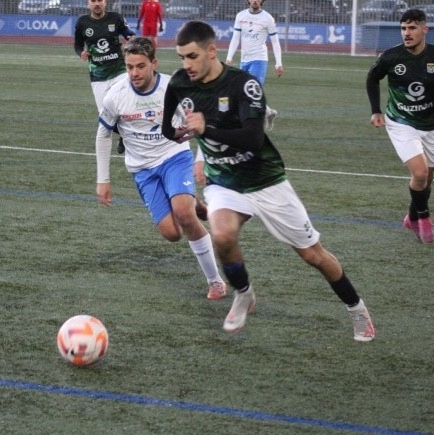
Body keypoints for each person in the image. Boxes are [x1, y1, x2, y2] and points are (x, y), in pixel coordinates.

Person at [161, 20, 375, 342]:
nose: (185, 64)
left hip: (266, 180)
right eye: (181, 57)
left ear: (210, 51)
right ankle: (244, 293)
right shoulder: (179, 84)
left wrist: (207, 130)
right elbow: (167, 128)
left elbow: (252, 138)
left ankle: (357, 310)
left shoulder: (243, 84)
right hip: (225, 181)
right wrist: (180, 132)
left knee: (313, 255)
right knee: (222, 235)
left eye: (191, 56)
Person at [95, 36, 227, 300]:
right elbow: (103, 135)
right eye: (129, 66)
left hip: (173, 156)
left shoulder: (174, 88)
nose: (134, 73)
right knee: (171, 233)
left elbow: (205, 122)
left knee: (184, 215)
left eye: (141, 66)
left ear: (154, 63)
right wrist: (103, 179)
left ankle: (215, 281)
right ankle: (197, 205)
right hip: (142, 169)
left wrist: (201, 158)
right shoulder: (115, 96)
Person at [366, 9, 434, 245]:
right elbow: (372, 78)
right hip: (399, 122)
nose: (406, 33)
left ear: (424, 29)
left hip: (429, 124)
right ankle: (423, 219)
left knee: (427, 179)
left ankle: (410, 216)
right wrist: (375, 111)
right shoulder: (391, 57)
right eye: (403, 28)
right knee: (419, 173)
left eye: (412, 28)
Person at [74, 0, 135, 155]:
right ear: (88, 3)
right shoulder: (82, 23)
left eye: (100, 0)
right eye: (93, 1)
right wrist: (81, 52)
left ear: (105, 2)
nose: (97, 4)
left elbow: (126, 32)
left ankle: (130, 138)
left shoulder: (115, 18)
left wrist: (131, 38)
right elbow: (78, 44)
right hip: (98, 75)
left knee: (127, 106)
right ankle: (123, 134)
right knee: (105, 115)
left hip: (119, 70)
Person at [225, 0, 282, 132]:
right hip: (244, 60)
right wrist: (229, 57)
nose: (255, 0)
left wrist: (278, 63)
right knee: (243, 92)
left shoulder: (268, 19)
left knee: (250, 92)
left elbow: (275, 41)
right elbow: (235, 38)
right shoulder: (240, 16)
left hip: (259, 59)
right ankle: (268, 112)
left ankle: (249, 126)